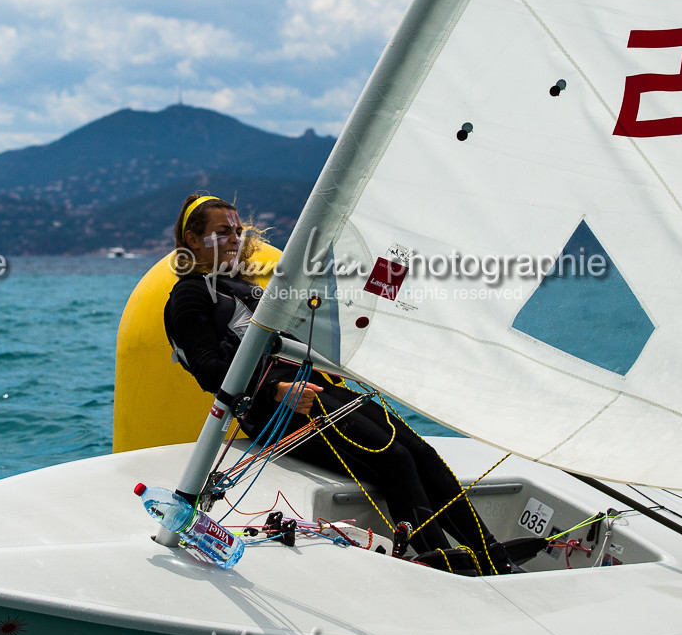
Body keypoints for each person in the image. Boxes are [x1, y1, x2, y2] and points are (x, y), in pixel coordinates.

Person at [162, 193, 515, 573]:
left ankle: (492, 554)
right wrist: (274, 392)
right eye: (222, 232)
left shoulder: (238, 285)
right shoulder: (189, 295)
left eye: (237, 231)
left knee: (421, 453)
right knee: (394, 459)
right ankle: (443, 561)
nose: (234, 238)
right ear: (193, 239)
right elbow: (207, 370)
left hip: (316, 388)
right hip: (277, 407)